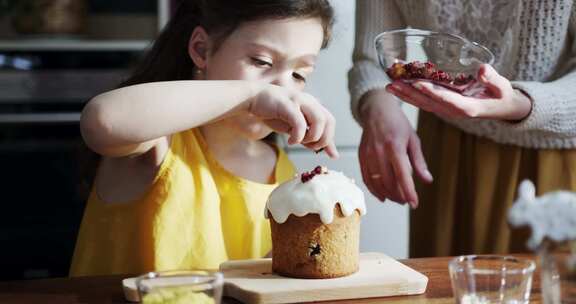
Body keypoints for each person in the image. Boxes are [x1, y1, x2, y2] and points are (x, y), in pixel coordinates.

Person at [70, 0, 337, 276]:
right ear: (201, 49)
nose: (283, 88)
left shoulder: (282, 172)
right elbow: (104, 120)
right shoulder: (159, 144)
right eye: (261, 61)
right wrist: (251, 96)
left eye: (299, 74)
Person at [349, 0, 576, 257]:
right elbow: (372, 55)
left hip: (550, 160)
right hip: (443, 149)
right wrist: (379, 108)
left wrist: (518, 103)